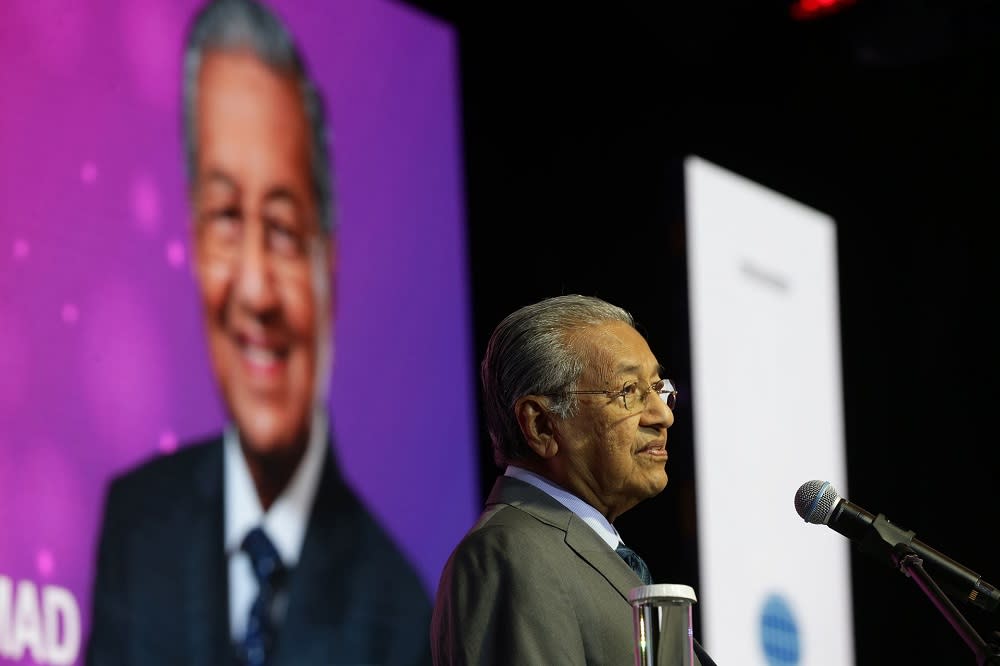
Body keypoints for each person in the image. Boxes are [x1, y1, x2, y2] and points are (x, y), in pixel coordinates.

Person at [85, 1, 432, 664]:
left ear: (328, 263)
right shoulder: (137, 527)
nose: (254, 291)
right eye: (224, 217)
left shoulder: (402, 615)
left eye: (280, 228)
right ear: (190, 237)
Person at [431, 294, 715, 665]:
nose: (664, 415)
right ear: (541, 425)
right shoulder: (510, 552)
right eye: (628, 392)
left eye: (659, 389)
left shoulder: (581, 551)